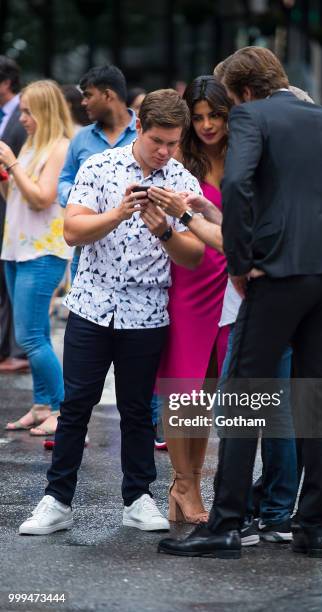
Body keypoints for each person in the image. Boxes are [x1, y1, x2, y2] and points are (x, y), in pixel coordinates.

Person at [157, 46, 322, 559]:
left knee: (246, 396)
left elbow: (241, 183)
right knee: (315, 402)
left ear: (243, 92)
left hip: (276, 274)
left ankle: (225, 525)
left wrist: (243, 261)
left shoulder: (251, 116)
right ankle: (314, 527)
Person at [18, 89, 205, 536]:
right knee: (76, 404)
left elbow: (195, 256)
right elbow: (72, 231)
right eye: (158, 140)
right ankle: (57, 500)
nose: (164, 152)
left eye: (173, 143)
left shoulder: (182, 181)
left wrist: (164, 231)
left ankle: (138, 497)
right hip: (91, 305)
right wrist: (120, 213)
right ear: (138, 127)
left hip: (147, 311)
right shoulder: (99, 167)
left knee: (138, 410)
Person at [152, 76, 230, 524]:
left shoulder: (244, 156)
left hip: (230, 284)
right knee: (184, 388)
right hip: (189, 280)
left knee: (211, 387)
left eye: (213, 115)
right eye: (197, 117)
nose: (205, 125)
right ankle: (183, 484)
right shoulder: (183, 159)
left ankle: (190, 484)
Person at [0, 80, 74, 434]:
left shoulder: (60, 147)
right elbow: (16, 194)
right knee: (35, 332)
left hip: (42, 251)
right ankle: (43, 405)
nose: (23, 118)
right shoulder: (31, 146)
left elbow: (42, 198)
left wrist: (12, 164)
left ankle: (65, 410)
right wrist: (7, 173)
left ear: (45, 111)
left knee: (29, 336)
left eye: (28, 112)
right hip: (17, 249)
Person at [58, 65, 137, 280]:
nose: (83, 102)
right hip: (86, 257)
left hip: (135, 260)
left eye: (88, 95)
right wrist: (80, 200)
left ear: (108, 95)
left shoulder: (145, 132)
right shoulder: (81, 138)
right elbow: (64, 180)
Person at [0, 56, 28, 374]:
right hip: (6, 207)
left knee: (13, 287)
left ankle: (17, 351)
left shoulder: (21, 121)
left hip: (16, 212)